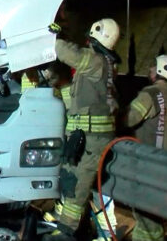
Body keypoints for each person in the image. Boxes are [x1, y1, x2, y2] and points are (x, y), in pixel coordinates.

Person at [45, 19, 121, 241]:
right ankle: (73, 226)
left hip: (92, 139)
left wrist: (55, 36)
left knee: (78, 187)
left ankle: (66, 232)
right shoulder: (102, 63)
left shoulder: (96, 60)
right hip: (85, 137)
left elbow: (63, 51)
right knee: (73, 180)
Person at [122, 55, 167, 241]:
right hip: (166, 164)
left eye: (153, 66)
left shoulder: (151, 94)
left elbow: (128, 119)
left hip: (147, 165)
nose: (150, 69)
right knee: (149, 217)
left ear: (160, 71)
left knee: (147, 219)